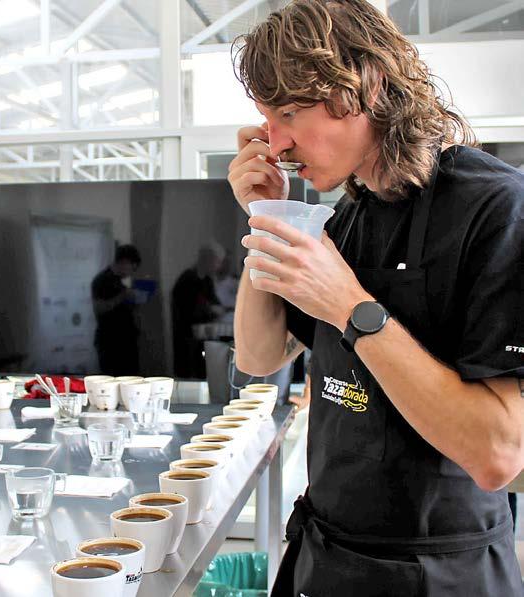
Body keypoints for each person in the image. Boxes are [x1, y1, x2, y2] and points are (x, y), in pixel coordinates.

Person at [228, 1, 524, 595]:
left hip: (441, 572)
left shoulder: (496, 210)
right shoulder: (346, 217)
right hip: (328, 555)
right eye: (266, 118)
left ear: (365, 86)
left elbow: (499, 453)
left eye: (289, 112)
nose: (275, 143)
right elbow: (259, 357)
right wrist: (267, 218)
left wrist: (350, 307)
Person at [171, 243, 235, 378]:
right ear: (208, 259)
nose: (219, 266)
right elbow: (188, 310)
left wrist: (220, 309)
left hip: (205, 339)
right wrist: (210, 309)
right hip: (188, 339)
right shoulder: (187, 279)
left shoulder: (207, 280)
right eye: (217, 262)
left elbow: (215, 303)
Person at [91, 244, 141, 376]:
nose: (131, 273)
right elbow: (99, 308)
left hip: (125, 341)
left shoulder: (119, 283)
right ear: (124, 262)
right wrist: (123, 296)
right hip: (111, 344)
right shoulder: (102, 281)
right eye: (132, 268)